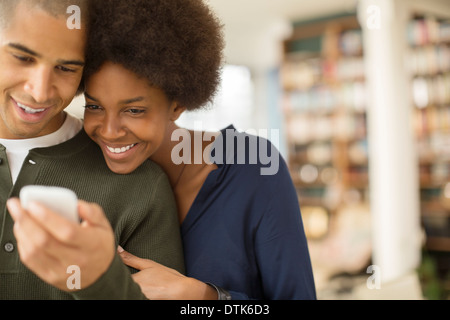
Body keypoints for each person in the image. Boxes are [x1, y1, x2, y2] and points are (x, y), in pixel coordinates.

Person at [82, 0, 316, 300]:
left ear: (177, 104)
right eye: (94, 106)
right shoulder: (81, 168)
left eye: (135, 110)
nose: (109, 131)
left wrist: (203, 297)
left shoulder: (252, 166)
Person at [0, 0, 184, 299]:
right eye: (22, 57)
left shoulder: (142, 187)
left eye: (65, 68)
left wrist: (100, 280)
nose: (40, 91)